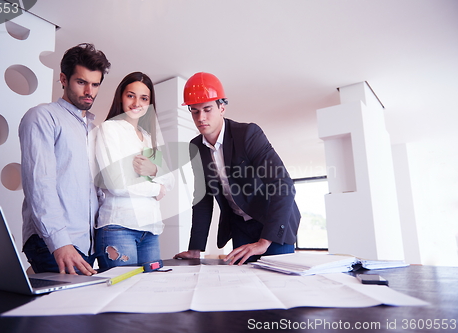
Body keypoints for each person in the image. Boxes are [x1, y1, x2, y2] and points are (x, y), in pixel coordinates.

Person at [174, 72, 301, 265]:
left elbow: (282, 184)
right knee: (245, 285)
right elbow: (202, 199)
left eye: (207, 109)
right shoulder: (197, 148)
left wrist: (264, 241)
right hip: (240, 226)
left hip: (271, 221)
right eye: (194, 111)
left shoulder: (248, 134)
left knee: (278, 283)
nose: (201, 117)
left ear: (222, 108)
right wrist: (195, 249)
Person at [19, 43, 111, 275]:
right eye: (81, 82)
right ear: (63, 78)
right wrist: (60, 243)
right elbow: (39, 184)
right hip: (56, 243)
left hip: (86, 245)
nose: (89, 91)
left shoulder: (92, 129)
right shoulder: (42, 117)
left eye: (95, 84)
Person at [94, 72, 174, 268]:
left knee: (151, 295)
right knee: (123, 296)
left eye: (144, 98)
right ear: (121, 96)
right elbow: (117, 185)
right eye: (131, 95)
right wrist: (156, 188)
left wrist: (153, 169)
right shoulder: (109, 129)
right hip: (118, 227)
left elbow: (170, 181)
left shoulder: (149, 138)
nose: (137, 102)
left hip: (150, 230)